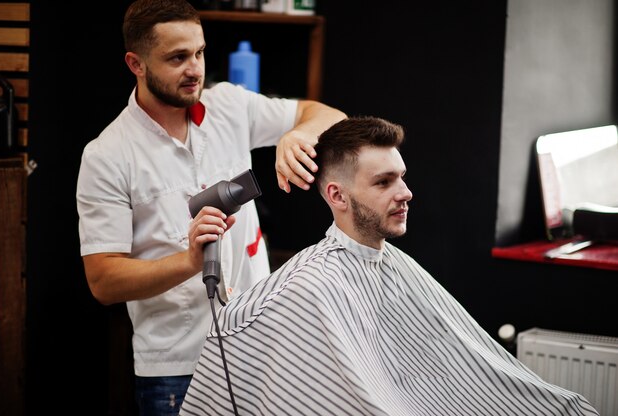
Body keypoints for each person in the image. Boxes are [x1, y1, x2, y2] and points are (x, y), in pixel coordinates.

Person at [180, 116, 599, 416]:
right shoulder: (309, 285)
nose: (406, 192)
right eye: (384, 182)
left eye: (401, 176)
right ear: (337, 196)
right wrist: (240, 309)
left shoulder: (393, 266)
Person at [75, 0, 346, 414]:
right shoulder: (107, 155)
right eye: (178, 57)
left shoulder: (230, 107)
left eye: (200, 52)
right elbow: (103, 281)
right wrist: (188, 262)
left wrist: (299, 135)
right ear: (136, 63)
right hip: (177, 367)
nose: (195, 68)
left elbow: (327, 114)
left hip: (260, 345)